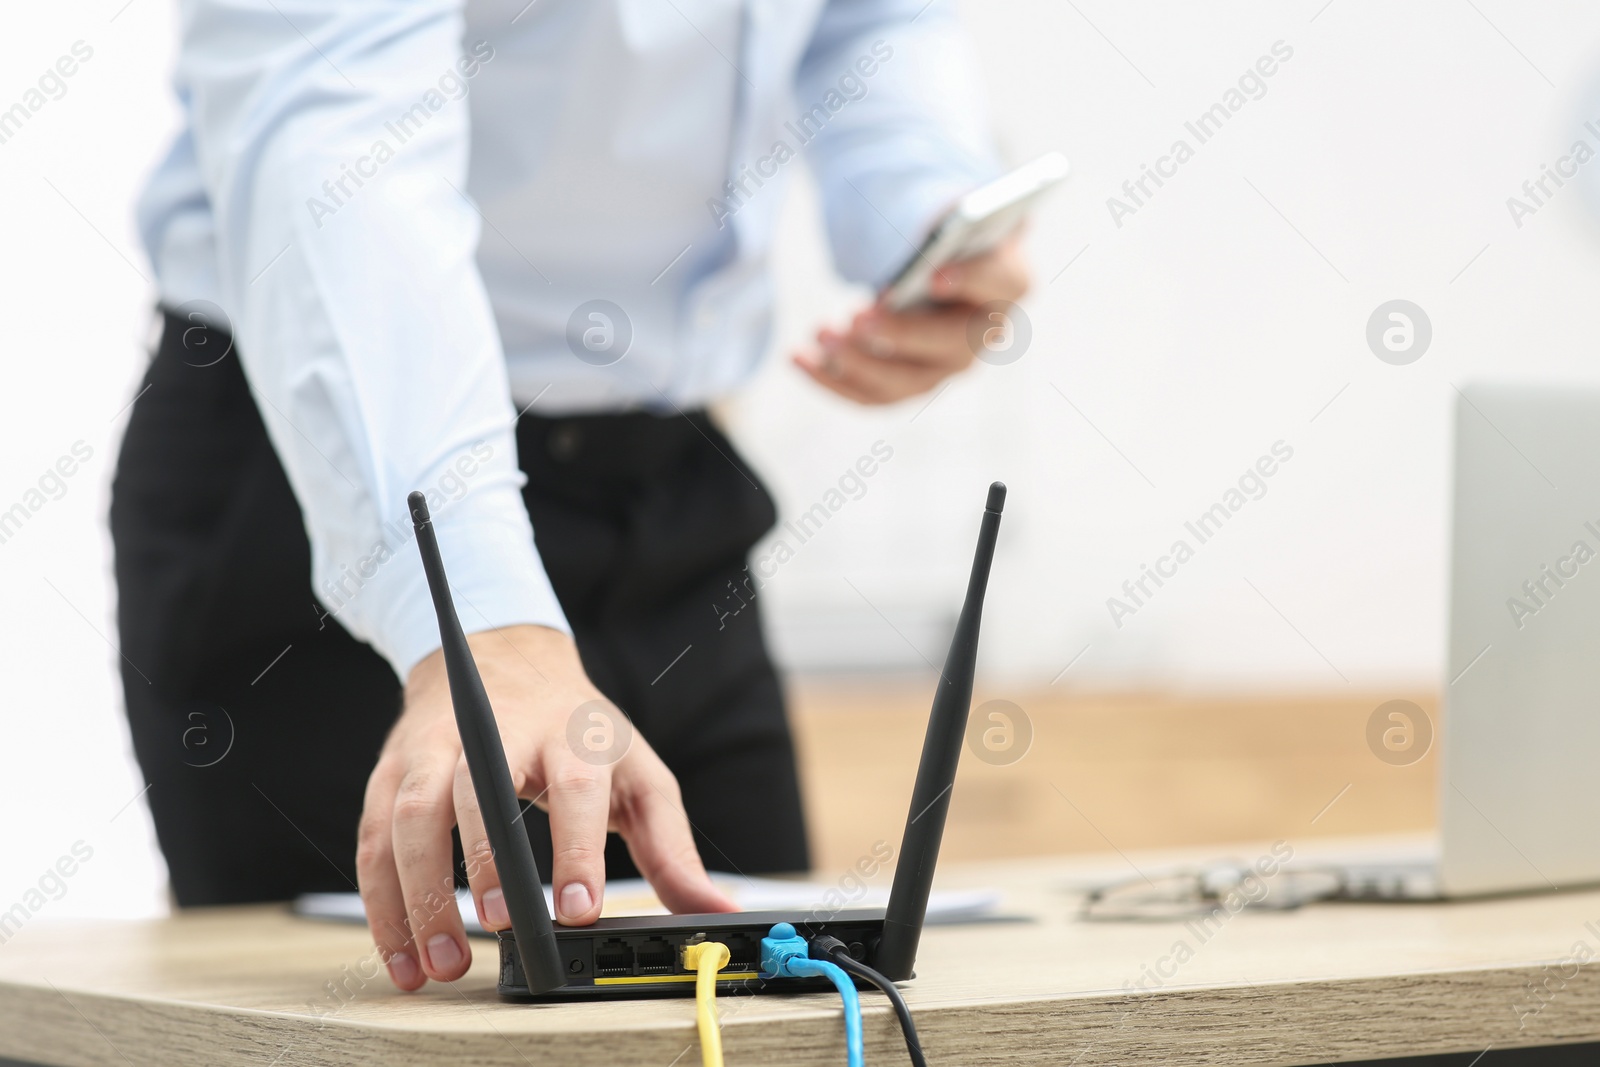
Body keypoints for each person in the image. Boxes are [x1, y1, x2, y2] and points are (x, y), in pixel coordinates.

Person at [114, 0, 1029, 992]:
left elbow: (869, 17)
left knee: (785, 1009)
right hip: (344, 464)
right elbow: (332, 133)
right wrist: (481, 623)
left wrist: (924, 205)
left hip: (666, 478)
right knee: (400, 1026)